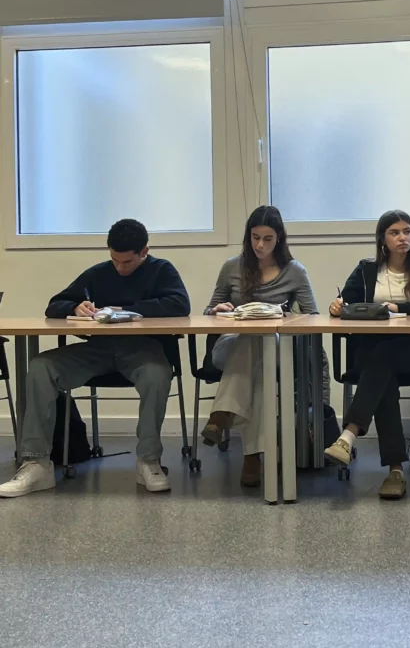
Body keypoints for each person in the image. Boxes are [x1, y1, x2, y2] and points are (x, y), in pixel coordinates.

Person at [0, 219, 190, 499]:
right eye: (114, 259)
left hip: (142, 350)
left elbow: (180, 304)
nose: (119, 267)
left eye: (127, 262)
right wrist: (76, 307)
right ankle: (36, 463)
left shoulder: (162, 270)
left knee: (157, 374)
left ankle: (148, 460)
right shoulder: (98, 273)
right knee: (41, 366)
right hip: (97, 351)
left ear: (144, 252)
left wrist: (127, 309)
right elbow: (54, 305)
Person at [325, 209, 410, 500]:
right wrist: (337, 306)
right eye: (394, 233)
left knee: (382, 362)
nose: (402, 238)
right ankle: (395, 472)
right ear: (383, 239)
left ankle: (348, 436)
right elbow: (347, 304)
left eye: (407, 231)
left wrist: (401, 308)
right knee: (383, 371)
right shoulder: (366, 270)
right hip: (371, 352)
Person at [201, 205, 320, 488]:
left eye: (267, 239)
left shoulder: (294, 271)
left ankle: (224, 418)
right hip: (230, 347)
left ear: (279, 238)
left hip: (276, 348)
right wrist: (216, 310)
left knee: (262, 346)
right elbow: (208, 311)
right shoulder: (232, 267)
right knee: (255, 345)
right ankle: (252, 456)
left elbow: (313, 317)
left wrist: (284, 317)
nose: (259, 245)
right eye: (255, 237)